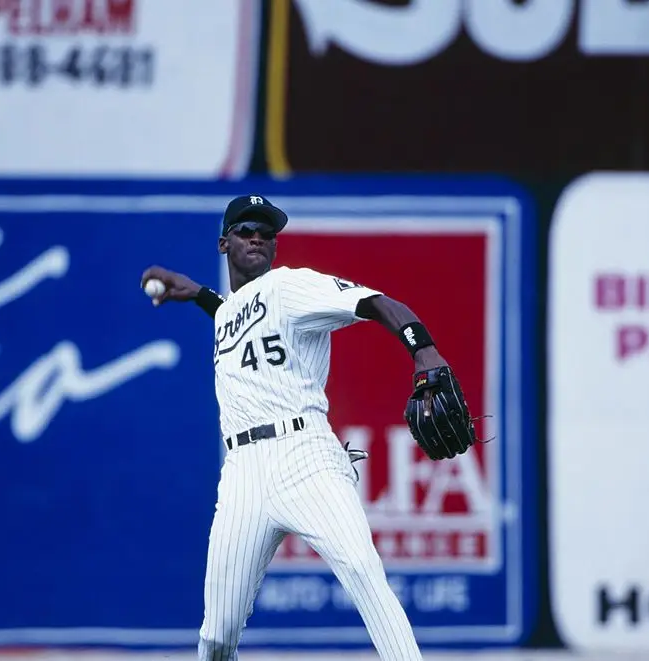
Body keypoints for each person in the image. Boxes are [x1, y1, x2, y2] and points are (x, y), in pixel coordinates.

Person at [141, 194, 449, 660]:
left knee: (364, 569)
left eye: (267, 233)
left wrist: (422, 349)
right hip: (243, 471)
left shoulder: (290, 288)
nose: (259, 238)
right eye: (248, 230)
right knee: (218, 633)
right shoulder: (228, 313)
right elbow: (239, 318)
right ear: (225, 243)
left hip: (304, 456)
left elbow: (375, 302)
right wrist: (201, 295)